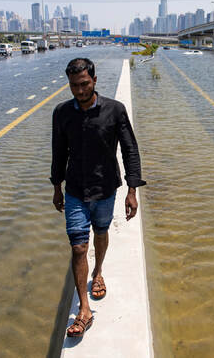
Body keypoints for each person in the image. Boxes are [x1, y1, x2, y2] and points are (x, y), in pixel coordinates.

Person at [51, 57, 146, 338]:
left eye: (84, 84)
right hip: (76, 190)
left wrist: (132, 190)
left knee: (101, 232)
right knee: (79, 246)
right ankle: (84, 309)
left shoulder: (115, 111)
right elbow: (58, 153)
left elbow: (130, 150)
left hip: (106, 189)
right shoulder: (62, 113)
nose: (79, 91)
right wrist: (57, 187)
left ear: (94, 81)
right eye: (73, 86)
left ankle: (99, 271)